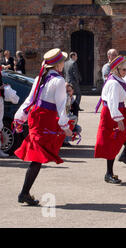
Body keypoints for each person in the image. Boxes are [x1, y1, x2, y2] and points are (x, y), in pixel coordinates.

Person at [13, 48, 73, 206]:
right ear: (58, 64)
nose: (63, 64)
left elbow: (30, 99)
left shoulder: (42, 77)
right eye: (63, 62)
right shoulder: (58, 80)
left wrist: (20, 117)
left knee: (37, 157)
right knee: (37, 158)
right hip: (45, 120)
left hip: (36, 117)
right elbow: (61, 106)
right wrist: (65, 126)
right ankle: (24, 193)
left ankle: (24, 193)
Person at [94, 55, 126, 184]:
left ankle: (125, 144)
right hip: (112, 113)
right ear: (116, 69)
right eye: (123, 70)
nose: (125, 72)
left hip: (116, 111)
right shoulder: (113, 82)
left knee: (118, 138)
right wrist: (118, 119)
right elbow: (112, 102)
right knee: (112, 142)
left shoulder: (117, 79)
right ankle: (109, 173)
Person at [63, 83, 82, 147]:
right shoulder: (62, 100)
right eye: (66, 91)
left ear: (72, 91)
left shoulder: (74, 103)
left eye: (69, 91)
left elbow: (76, 116)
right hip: (60, 120)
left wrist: (73, 124)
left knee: (78, 128)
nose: (67, 93)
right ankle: (64, 142)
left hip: (68, 121)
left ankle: (65, 140)